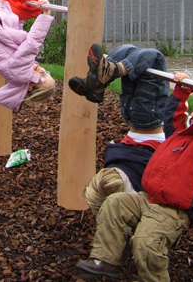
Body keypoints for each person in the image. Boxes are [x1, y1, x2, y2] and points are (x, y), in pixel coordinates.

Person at [72, 45, 193, 281]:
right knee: (114, 204)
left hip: (174, 211)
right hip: (148, 199)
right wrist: (182, 91)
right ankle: (105, 260)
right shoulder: (179, 136)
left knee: (145, 244)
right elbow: (171, 117)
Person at [69, 44, 171, 213]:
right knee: (138, 53)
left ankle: (100, 79)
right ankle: (99, 82)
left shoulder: (140, 177)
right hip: (132, 116)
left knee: (145, 56)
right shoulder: (114, 159)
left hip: (149, 117)